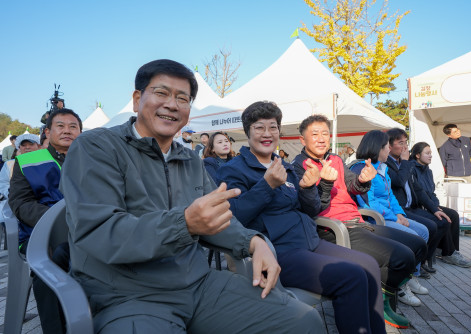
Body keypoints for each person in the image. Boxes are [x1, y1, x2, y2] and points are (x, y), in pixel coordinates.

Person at [59, 60, 325, 334]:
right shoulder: (97, 147)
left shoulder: (188, 159)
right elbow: (100, 232)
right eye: (161, 93)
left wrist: (254, 242)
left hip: (198, 285)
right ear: (137, 100)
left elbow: (220, 217)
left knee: (303, 321)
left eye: (182, 98)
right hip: (129, 296)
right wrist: (185, 224)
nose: (172, 105)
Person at [218, 102, 385, 334]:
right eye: (259, 128)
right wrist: (266, 186)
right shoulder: (234, 169)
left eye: (273, 127)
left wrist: (308, 188)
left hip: (308, 240)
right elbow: (234, 216)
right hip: (276, 251)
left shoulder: (284, 166)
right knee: (352, 276)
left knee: (369, 265)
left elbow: (311, 210)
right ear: (248, 132)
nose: (267, 134)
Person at [292, 115, 427, 328]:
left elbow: (352, 185)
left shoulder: (335, 159)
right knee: (401, 257)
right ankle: (380, 303)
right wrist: (325, 183)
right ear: (303, 140)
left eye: (325, 133)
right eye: (314, 134)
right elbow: (311, 208)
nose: (321, 139)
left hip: (357, 220)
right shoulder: (299, 166)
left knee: (418, 244)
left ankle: (379, 295)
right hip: (332, 228)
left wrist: (362, 179)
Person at [9, 108, 82, 334]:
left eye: (73, 127)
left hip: (87, 229)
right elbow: (20, 203)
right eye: (61, 126)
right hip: (40, 232)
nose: (67, 131)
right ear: (47, 132)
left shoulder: (93, 160)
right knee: (51, 263)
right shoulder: (28, 161)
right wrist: (56, 221)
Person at [350, 130, 430, 307]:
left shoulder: (382, 168)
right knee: (413, 237)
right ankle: (400, 284)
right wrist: (394, 217)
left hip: (390, 215)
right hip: (375, 219)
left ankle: (410, 277)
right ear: (377, 148)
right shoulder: (362, 168)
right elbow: (368, 203)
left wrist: (400, 214)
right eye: (387, 147)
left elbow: (390, 196)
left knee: (423, 231)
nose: (390, 151)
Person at [385, 128, 449, 278]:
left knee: (442, 220)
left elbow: (419, 190)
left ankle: (423, 260)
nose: (405, 147)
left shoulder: (405, 163)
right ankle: (415, 265)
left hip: (412, 206)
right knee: (430, 226)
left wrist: (434, 209)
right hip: (399, 208)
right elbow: (399, 182)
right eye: (400, 143)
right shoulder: (387, 163)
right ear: (389, 145)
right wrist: (407, 162)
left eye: (405, 143)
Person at [410, 142, 471, 268]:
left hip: (429, 204)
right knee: (444, 218)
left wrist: (436, 205)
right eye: (427, 153)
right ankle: (448, 252)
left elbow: (431, 192)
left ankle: (452, 251)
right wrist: (433, 208)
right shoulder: (412, 169)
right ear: (417, 155)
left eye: (431, 153)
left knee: (454, 214)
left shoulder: (428, 171)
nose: (430, 156)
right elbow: (419, 194)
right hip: (418, 206)